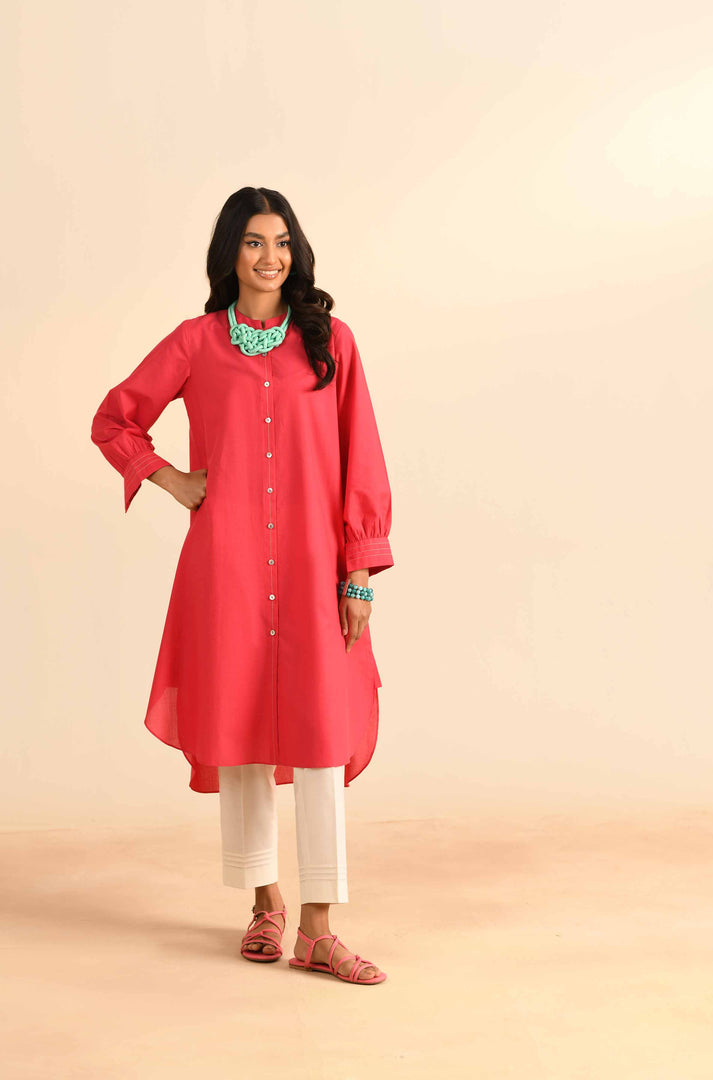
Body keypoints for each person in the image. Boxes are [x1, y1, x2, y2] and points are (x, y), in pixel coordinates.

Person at [90, 186, 394, 985]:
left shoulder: (331, 343)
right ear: (231, 252)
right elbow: (115, 419)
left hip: (314, 567)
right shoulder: (195, 343)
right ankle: (265, 904)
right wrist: (171, 479)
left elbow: (361, 454)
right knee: (243, 732)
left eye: (283, 242)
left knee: (321, 736)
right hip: (226, 570)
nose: (271, 257)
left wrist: (358, 572)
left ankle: (319, 928)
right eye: (255, 242)